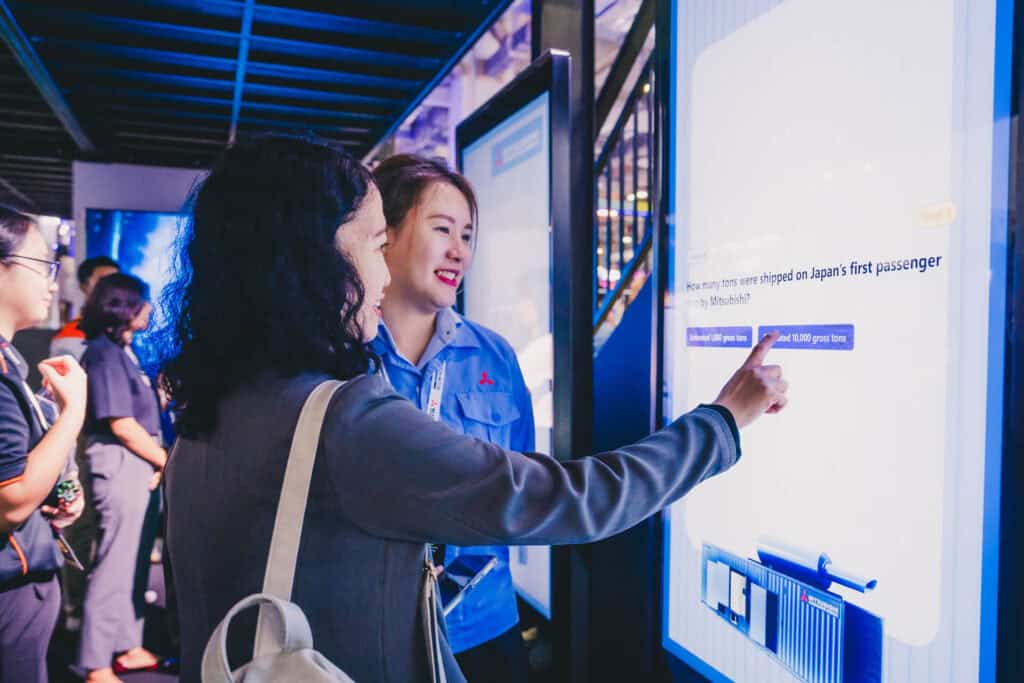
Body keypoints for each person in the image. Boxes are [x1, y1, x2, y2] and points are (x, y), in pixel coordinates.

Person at [160, 135, 788, 683]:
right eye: (376, 245)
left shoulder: (213, 407)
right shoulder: (342, 418)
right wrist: (723, 421)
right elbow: (564, 497)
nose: (382, 274)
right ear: (315, 258)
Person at [372, 154, 535, 679]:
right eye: (442, 229)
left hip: (482, 626)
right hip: (374, 631)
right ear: (383, 233)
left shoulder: (495, 356)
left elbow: (522, 482)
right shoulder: (339, 355)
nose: (459, 251)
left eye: (467, 235)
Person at [0, 205, 86, 683]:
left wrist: (61, 490)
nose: (53, 283)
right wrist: (73, 411)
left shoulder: (10, 359)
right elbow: (11, 499)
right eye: (43, 265)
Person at [77, 273, 167, 683]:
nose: (150, 308)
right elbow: (122, 424)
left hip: (139, 464)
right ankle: (94, 662)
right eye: (143, 301)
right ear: (124, 306)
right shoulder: (103, 354)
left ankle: (128, 645)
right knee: (114, 563)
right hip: (121, 463)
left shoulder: (124, 353)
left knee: (134, 559)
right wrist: (165, 460)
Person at [50, 257, 120, 361]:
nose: (112, 288)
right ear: (84, 286)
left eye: (117, 281)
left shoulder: (122, 331)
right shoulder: (70, 336)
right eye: (103, 281)